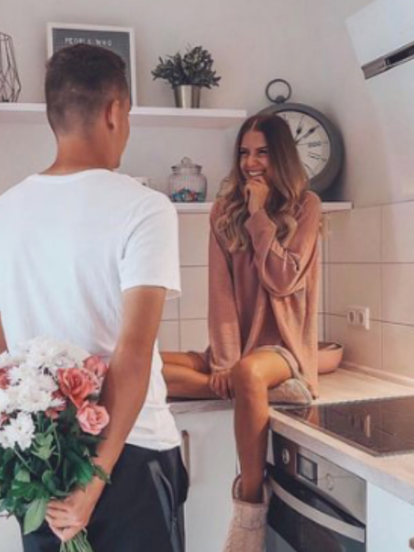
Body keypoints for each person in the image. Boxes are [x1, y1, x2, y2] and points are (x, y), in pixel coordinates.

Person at [0, 43, 188, 552]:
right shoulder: (145, 208)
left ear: (53, 114)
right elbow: (132, 353)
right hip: (131, 452)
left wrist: (24, 442)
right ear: (115, 111)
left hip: (39, 459)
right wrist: (92, 484)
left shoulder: (5, 210)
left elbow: (3, 351)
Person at [162, 114, 321, 552]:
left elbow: (283, 281)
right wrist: (224, 362)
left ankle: (250, 506)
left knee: (250, 372)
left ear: (281, 156)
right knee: (145, 366)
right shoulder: (222, 211)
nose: (251, 162)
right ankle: (253, 391)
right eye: (245, 152)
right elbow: (221, 293)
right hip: (240, 349)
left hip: (281, 347)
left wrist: (258, 214)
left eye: (262, 152)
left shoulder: (306, 206)